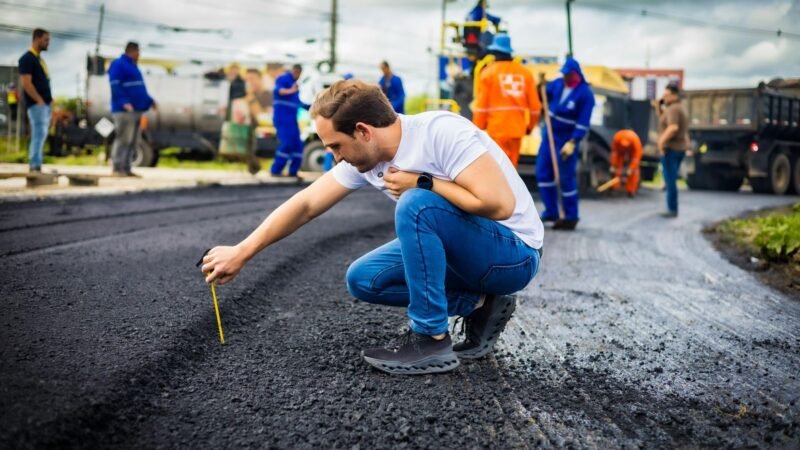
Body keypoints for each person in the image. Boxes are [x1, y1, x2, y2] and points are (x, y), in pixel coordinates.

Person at [200, 80, 544, 375]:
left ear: (363, 131)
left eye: (336, 145)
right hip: (471, 255)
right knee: (364, 278)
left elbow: (500, 204)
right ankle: (481, 303)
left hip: (513, 255)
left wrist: (422, 182)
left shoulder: (441, 133)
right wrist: (242, 251)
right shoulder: (367, 158)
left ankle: (431, 341)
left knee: (416, 204)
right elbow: (305, 205)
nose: (335, 156)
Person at [535, 56, 595, 231]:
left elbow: (583, 122)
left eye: (568, 74)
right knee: (543, 172)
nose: (565, 77)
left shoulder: (585, 94)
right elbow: (544, 94)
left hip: (566, 139)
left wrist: (573, 141)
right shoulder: (559, 84)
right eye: (564, 74)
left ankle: (570, 215)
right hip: (549, 136)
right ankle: (551, 211)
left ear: (575, 74)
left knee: (566, 177)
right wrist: (541, 86)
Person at [472, 33, 540, 167]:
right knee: (511, 170)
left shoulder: (488, 73)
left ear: (494, 52)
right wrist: (529, 127)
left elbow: (481, 107)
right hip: (517, 131)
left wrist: (477, 130)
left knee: (498, 169)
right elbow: (535, 108)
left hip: (497, 131)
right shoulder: (525, 73)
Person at [108, 41, 156, 177]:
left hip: (137, 110)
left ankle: (127, 168)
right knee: (123, 139)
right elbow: (114, 85)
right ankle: (117, 168)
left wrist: (150, 101)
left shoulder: (133, 66)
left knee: (134, 141)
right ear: (132, 51)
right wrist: (124, 103)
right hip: (124, 111)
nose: (139, 55)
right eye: (138, 52)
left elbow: (139, 87)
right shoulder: (119, 64)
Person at [18, 28, 52, 173]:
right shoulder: (27, 58)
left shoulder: (39, 60)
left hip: (44, 105)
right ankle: (34, 166)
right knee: (38, 135)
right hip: (37, 105)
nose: (48, 43)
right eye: (45, 40)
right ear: (36, 39)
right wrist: (39, 100)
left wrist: (50, 100)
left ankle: (37, 164)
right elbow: (26, 83)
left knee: (41, 135)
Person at [655, 83, 689, 217]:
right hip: (678, 148)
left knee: (670, 180)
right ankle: (672, 208)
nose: (664, 97)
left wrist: (661, 142)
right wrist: (659, 105)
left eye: (667, 94)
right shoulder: (676, 108)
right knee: (670, 178)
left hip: (671, 148)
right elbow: (664, 119)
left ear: (674, 95)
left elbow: (673, 127)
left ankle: (672, 209)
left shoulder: (674, 109)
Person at [270, 64, 309, 177]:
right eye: (297, 73)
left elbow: (298, 103)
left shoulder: (295, 85)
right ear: (295, 71)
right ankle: (275, 170)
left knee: (297, 145)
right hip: (282, 118)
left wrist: (313, 106)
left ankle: (293, 172)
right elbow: (279, 91)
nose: (298, 76)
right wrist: (292, 90)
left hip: (292, 120)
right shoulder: (284, 79)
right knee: (286, 143)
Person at [610, 129, 643, 197]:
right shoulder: (617, 138)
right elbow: (614, 153)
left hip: (632, 151)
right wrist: (613, 165)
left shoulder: (636, 141)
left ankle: (631, 190)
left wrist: (631, 168)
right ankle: (615, 188)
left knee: (634, 171)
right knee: (617, 168)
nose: (625, 145)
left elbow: (636, 158)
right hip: (620, 151)